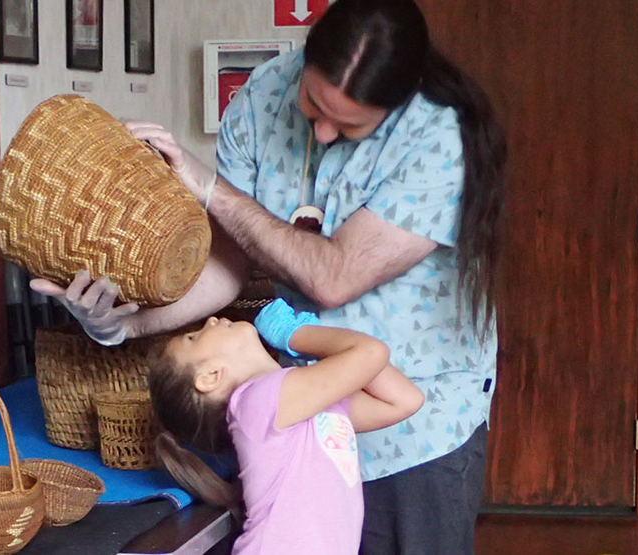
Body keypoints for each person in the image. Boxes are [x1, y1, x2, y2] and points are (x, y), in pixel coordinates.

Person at [30, 0, 506, 553]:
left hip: (416, 435)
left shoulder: (437, 136)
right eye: (312, 105)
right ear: (306, 55)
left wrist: (209, 187)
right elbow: (227, 271)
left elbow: (334, 278)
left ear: (394, 107)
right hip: (308, 421)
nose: (323, 134)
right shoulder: (261, 96)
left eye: (349, 124)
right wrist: (119, 326)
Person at [149, 298, 423, 555]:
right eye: (194, 338)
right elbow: (371, 353)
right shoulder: (256, 400)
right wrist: (298, 334)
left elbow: (403, 400)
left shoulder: (301, 401)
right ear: (210, 377)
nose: (209, 320)